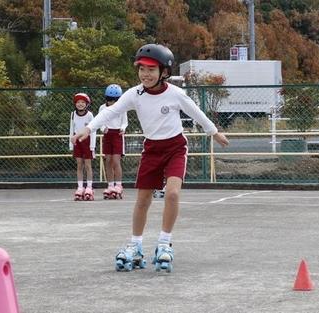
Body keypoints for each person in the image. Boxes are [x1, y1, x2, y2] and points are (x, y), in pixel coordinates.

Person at [71, 43, 229, 272]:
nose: (145, 74)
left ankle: (164, 243)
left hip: (175, 148)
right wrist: (89, 128)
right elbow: (111, 112)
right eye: (142, 69)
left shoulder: (175, 94)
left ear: (163, 72)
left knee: (172, 194)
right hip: (151, 149)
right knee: (142, 200)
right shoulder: (135, 94)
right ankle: (135, 245)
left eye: (151, 69)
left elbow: (196, 111)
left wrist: (213, 132)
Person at [99, 84, 128, 200]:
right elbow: (99, 121)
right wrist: (103, 128)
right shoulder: (102, 108)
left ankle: (119, 185)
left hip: (117, 135)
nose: (113, 102)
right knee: (108, 160)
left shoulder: (121, 108)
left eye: (115, 100)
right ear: (106, 98)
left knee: (116, 161)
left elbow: (125, 122)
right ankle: (110, 185)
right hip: (107, 134)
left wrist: (123, 128)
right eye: (110, 100)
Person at [69, 93, 96, 201]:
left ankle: (89, 187)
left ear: (87, 104)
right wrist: (71, 144)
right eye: (78, 102)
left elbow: (93, 130)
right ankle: (80, 187)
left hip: (87, 141)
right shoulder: (72, 114)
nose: (80, 104)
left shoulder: (90, 115)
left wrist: (92, 146)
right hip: (77, 142)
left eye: (82, 102)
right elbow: (71, 129)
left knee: (88, 165)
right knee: (79, 165)